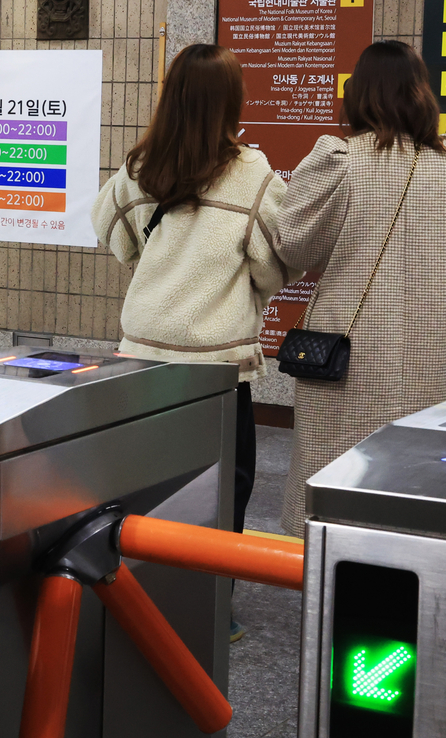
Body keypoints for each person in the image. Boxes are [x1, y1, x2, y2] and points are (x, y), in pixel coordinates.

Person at [92, 44, 299, 641]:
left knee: (148, 479)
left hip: (143, 357)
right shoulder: (252, 173)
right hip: (215, 368)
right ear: (230, 103)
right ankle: (211, 606)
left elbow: (115, 234)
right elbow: (271, 263)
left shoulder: (140, 167)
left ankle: (138, 593)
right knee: (225, 487)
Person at [276, 40, 446, 537]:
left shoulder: (339, 160)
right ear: (421, 93)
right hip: (435, 346)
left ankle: (335, 570)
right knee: (426, 470)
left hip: (352, 354)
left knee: (339, 471)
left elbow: (293, 247)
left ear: (358, 94)